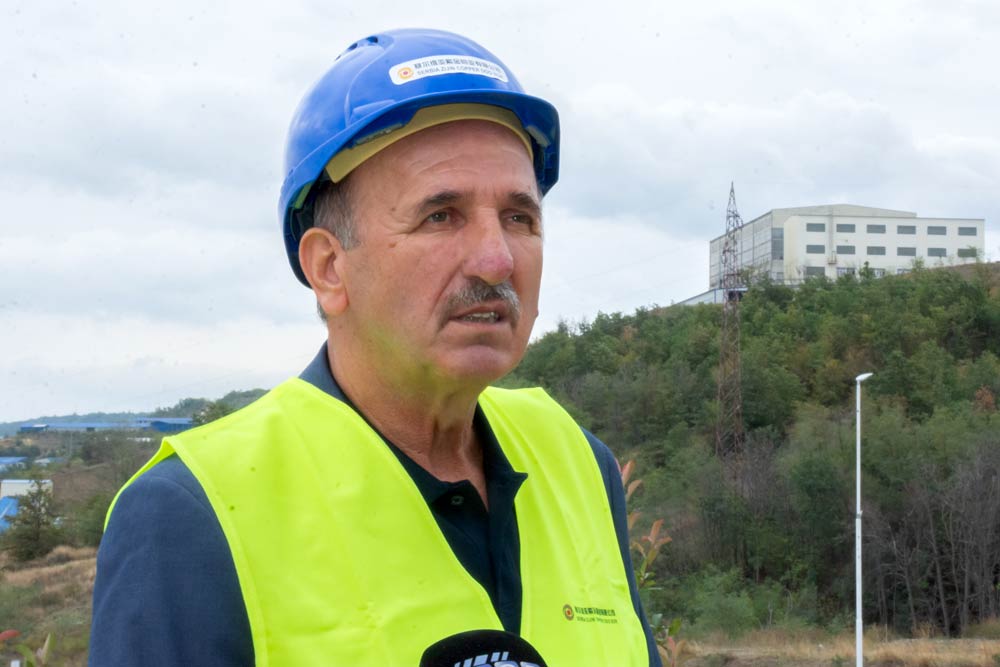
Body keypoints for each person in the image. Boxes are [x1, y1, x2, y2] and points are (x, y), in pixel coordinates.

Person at [90, 28, 662, 666]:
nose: (497, 259)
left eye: (519, 218)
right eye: (440, 216)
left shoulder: (580, 464)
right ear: (329, 269)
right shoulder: (192, 515)